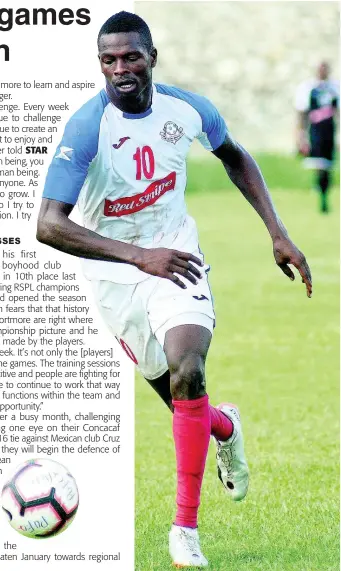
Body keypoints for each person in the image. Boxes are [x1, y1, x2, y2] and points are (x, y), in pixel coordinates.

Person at [37, 11, 312, 568]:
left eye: (131, 56)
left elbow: (234, 154)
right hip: (116, 276)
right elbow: (48, 224)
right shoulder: (86, 127)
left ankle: (184, 528)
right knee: (181, 401)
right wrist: (139, 257)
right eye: (108, 60)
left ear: (152, 57)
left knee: (189, 368)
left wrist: (277, 233)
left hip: (177, 254)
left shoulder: (186, 109)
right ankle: (225, 428)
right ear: (100, 65)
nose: (121, 69)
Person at [295, 61, 339, 213]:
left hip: (329, 132)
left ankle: (324, 193)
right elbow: (301, 113)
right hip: (315, 132)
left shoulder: (335, 88)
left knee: (328, 166)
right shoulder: (308, 88)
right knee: (319, 165)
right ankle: (322, 196)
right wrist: (301, 136)